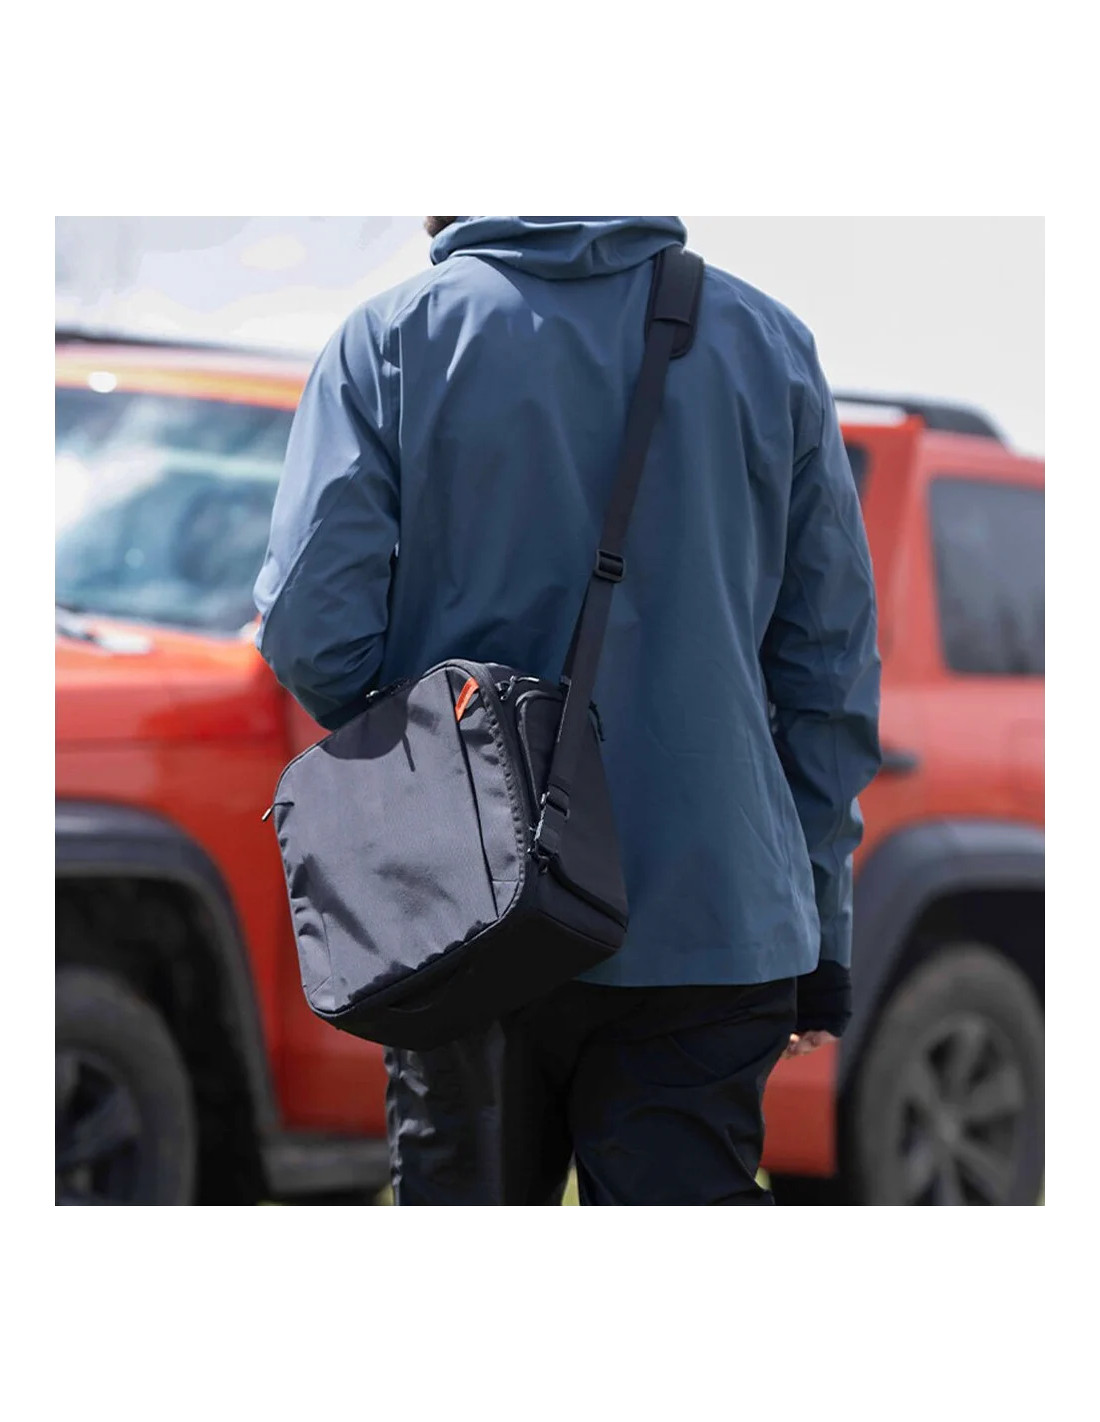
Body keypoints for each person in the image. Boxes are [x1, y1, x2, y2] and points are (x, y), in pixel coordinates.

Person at [254, 216, 882, 1205]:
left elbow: (310, 632)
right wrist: (819, 928)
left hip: (464, 911)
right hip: (708, 914)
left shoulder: (392, 338)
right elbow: (828, 671)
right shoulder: (766, 343)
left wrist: (428, 769)